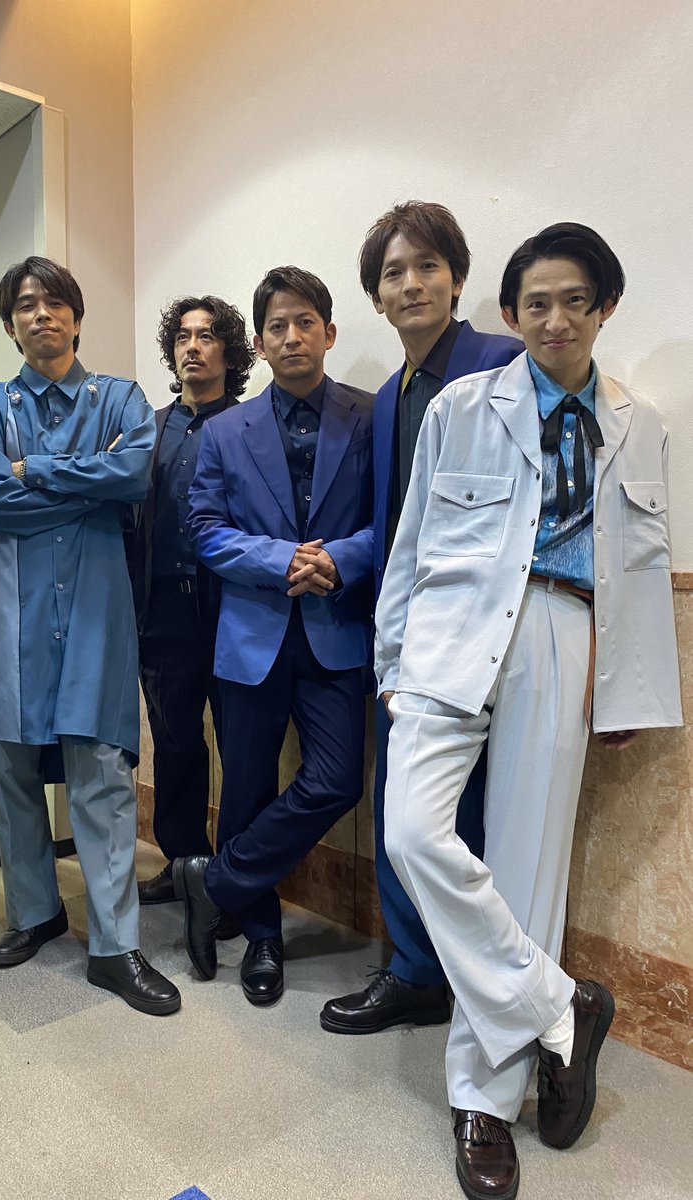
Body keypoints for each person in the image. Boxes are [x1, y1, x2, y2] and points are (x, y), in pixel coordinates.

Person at [375, 223, 681, 1199]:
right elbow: (411, 541)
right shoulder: (461, 406)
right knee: (412, 832)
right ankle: (561, 1007)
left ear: (604, 308)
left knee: (528, 872)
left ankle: (483, 1099)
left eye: (575, 301)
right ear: (510, 314)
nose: (556, 320)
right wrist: (392, 664)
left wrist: (627, 683)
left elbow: (636, 568)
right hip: (450, 634)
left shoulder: (640, 422)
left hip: (563, 630)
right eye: (537, 303)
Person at [0, 256, 179, 1016]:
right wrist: (84, 483)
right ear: (9, 325)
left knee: (101, 767)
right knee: (11, 770)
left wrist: (34, 470)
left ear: (77, 318)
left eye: (54, 302)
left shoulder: (121, 398)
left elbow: (132, 479)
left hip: (95, 612)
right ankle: (35, 913)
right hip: (7, 613)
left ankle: (115, 946)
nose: (41, 313)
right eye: (25, 304)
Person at [322, 201, 523, 1035]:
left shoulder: (503, 363)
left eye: (427, 266)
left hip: (493, 631)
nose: (411, 284)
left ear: (458, 278)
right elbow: (395, 525)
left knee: (473, 818)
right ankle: (415, 972)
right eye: (393, 273)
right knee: (403, 808)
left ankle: (478, 980)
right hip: (408, 635)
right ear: (376, 297)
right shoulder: (390, 397)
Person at [173, 266, 374, 1005]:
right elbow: (203, 528)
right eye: (277, 326)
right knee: (247, 788)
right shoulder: (225, 430)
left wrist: (340, 559)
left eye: (305, 322)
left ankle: (215, 881)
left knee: (337, 780)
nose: (292, 336)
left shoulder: (370, 416)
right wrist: (278, 560)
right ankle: (261, 936)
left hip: (336, 632)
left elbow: (394, 518)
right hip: (251, 635)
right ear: (258, 343)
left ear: (329, 331)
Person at [129, 296, 254, 904]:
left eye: (207, 336)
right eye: (182, 337)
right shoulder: (147, 429)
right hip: (162, 614)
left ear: (229, 352)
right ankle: (184, 866)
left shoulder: (251, 426)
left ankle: (237, 874)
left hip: (232, 613)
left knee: (241, 747)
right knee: (175, 741)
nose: (193, 347)